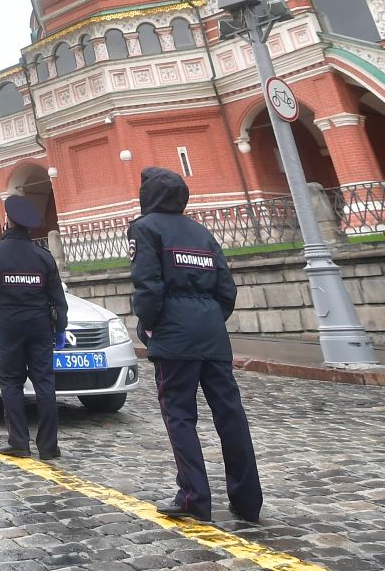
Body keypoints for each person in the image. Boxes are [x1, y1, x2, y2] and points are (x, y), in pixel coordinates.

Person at [128, 166, 263, 525]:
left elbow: (148, 285)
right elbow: (226, 290)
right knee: (230, 414)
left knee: (180, 416)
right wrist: (209, 318)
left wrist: (151, 326)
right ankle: (248, 501)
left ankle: (194, 497)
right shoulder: (202, 232)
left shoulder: (145, 228)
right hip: (212, 331)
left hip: (174, 332)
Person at [0, 194, 67, 460]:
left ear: (7, 221)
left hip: (9, 326)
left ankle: (19, 441)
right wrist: (60, 328)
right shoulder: (43, 256)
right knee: (44, 383)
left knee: (11, 382)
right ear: (28, 226)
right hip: (40, 326)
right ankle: (49, 446)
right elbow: (57, 297)